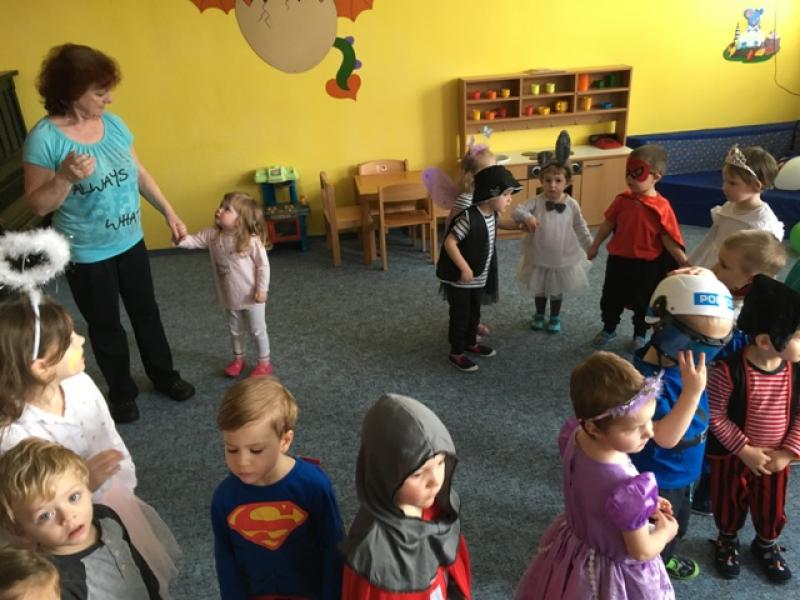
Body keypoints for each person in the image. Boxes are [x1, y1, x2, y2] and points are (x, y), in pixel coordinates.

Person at [23, 43, 194, 424]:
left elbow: (139, 173)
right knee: (105, 326)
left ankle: (165, 376)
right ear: (72, 92)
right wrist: (64, 177)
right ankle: (121, 392)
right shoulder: (44, 139)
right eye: (100, 92)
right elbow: (38, 205)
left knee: (147, 313)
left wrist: (169, 211)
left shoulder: (114, 125)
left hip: (130, 241)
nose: (109, 99)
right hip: (86, 252)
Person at [0, 294, 179, 596]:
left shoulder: (80, 382)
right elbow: (24, 503)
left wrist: (126, 484)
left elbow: (108, 435)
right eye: (69, 340)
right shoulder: (11, 434)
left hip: (110, 502)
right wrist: (85, 483)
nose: (81, 340)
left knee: (130, 563)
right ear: (42, 367)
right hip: (57, 533)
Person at [515, 352, 676, 600]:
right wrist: (666, 532)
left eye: (650, 420)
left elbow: (598, 497)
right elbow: (642, 551)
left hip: (576, 546)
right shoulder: (628, 487)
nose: (650, 432)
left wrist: (642, 508)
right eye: (635, 428)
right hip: (612, 575)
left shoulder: (574, 435)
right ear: (593, 428)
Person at [630, 273, 735, 580]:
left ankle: (665, 556)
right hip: (659, 477)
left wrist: (709, 276)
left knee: (679, 525)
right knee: (656, 528)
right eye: (696, 346)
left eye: (714, 348)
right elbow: (665, 437)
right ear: (661, 326)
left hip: (686, 470)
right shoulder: (646, 383)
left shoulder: (684, 357)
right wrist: (692, 392)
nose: (705, 359)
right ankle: (650, 572)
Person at [677, 229, 786, 517]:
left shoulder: (759, 313)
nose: (715, 268)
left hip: (732, 386)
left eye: (724, 265)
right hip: (706, 376)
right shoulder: (726, 287)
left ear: (751, 280)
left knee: (715, 444)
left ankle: (707, 495)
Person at [211, 377, 344, 599]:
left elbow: (333, 548)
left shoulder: (313, 486)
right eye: (232, 450)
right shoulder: (224, 497)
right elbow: (226, 562)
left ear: (285, 441)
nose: (242, 462)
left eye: (256, 450)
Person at [706, 275, 800, 584]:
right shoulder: (728, 371)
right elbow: (715, 415)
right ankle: (727, 538)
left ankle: (766, 544)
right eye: (798, 337)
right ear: (765, 341)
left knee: (772, 508)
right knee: (728, 502)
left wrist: (787, 452)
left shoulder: (796, 372)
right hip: (734, 457)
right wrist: (743, 450)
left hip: (776, 459)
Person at [340, 393, 471, 599]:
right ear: (385, 476)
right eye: (418, 474)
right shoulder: (375, 558)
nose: (435, 480)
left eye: (440, 462)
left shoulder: (441, 508)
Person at [0, 438, 162, 599]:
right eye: (45, 515)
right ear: (20, 530)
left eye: (73, 497)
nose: (68, 517)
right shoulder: (55, 583)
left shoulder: (106, 516)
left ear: (86, 485)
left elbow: (136, 563)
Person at [587, 144, 687, 352]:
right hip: (618, 261)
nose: (629, 179)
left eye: (637, 174)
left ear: (656, 176)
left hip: (646, 265)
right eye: (628, 173)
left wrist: (682, 261)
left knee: (644, 301)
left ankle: (640, 333)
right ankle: (609, 327)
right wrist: (595, 245)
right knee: (611, 297)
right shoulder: (622, 200)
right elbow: (608, 224)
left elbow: (668, 237)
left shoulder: (662, 207)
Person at [435, 165, 522, 372]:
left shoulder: (492, 214)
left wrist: (521, 226)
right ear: (490, 195)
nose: (510, 199)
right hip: (461, 280)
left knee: (475, 312)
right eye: (506, 194)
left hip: (479, 278)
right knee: (460, 316)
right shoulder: (468, 218)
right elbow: (450, 242)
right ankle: (456, 353)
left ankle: (470, 342)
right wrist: (464, 268)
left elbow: (501, 225)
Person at [177, 192, 273, 377]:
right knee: (235, 330)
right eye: (221, 205)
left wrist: (262, 290)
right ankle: (238, 359)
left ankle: (264, 363)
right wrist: (181, 238)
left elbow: (263, 266)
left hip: (252, 296)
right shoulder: (212, 235)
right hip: (229, 294)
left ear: (240, 220)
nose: (219, 210)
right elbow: (193, 241)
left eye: (226, 209)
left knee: (257, 330)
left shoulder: (251, 240)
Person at [424, 139, 498, 338]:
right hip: (465, 252)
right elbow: (452, 227)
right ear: (474, 176)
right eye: (490, 171)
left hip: (481, 250)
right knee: (464, 295)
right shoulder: (467, 200)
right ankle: (464, 329)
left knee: (476, 292)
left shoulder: (486, 197)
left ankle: (473, 323)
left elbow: (491, 220)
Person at [513, 159, 592, 334]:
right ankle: (539, 314)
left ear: (567, 182)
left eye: (558, 180)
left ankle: (555, 316)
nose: (552, 185)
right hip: (539, 253)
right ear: (541, 181)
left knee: (557, 289)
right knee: (540, 288)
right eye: (548, 180)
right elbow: (517, 211)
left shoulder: (572, 204)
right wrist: (528, 217)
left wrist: (590, 246)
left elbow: (580, 226)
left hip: (562, 255)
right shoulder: (536, 201)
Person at [689, 145, 784, 268]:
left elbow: (758, 264)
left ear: (756, 186)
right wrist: (691, 263)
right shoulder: (728, 207)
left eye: (732, 183)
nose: (724, 187)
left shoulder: (761, 223)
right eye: (724, 181)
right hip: (713, 264)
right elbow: (711, 239)